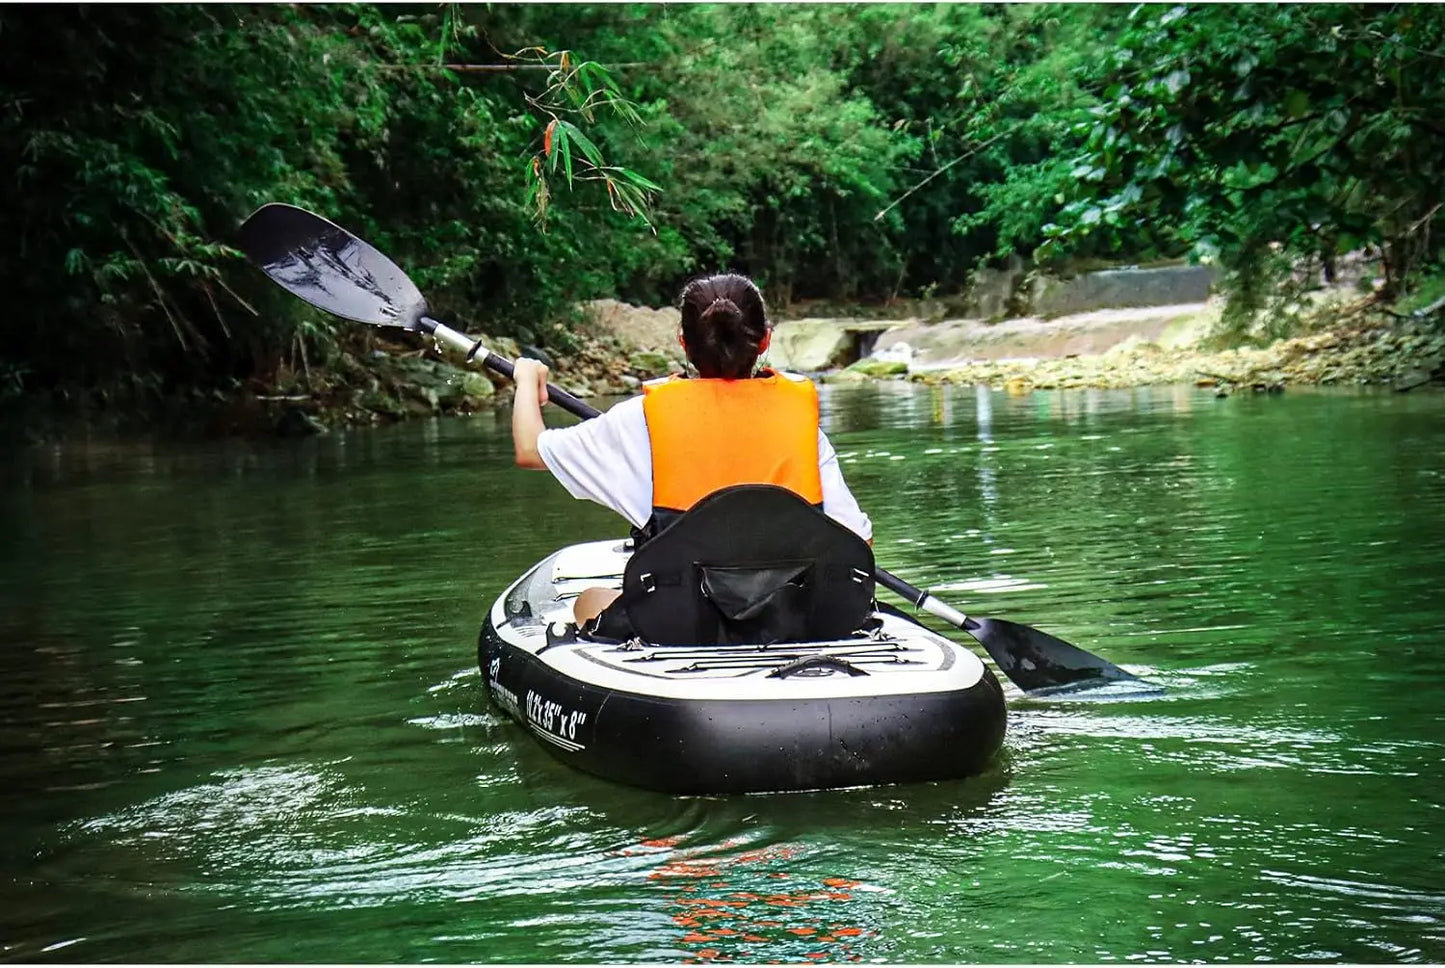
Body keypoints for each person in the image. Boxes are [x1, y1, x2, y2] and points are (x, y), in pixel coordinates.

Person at [510, 272, 872, 628]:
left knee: (589, 601)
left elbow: (530, 449)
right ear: (764, 341)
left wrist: (526, 380)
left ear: (684, 343)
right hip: (790, 617)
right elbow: (859, 543)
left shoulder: (638, 421)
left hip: (680, 620)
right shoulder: (802, 427)